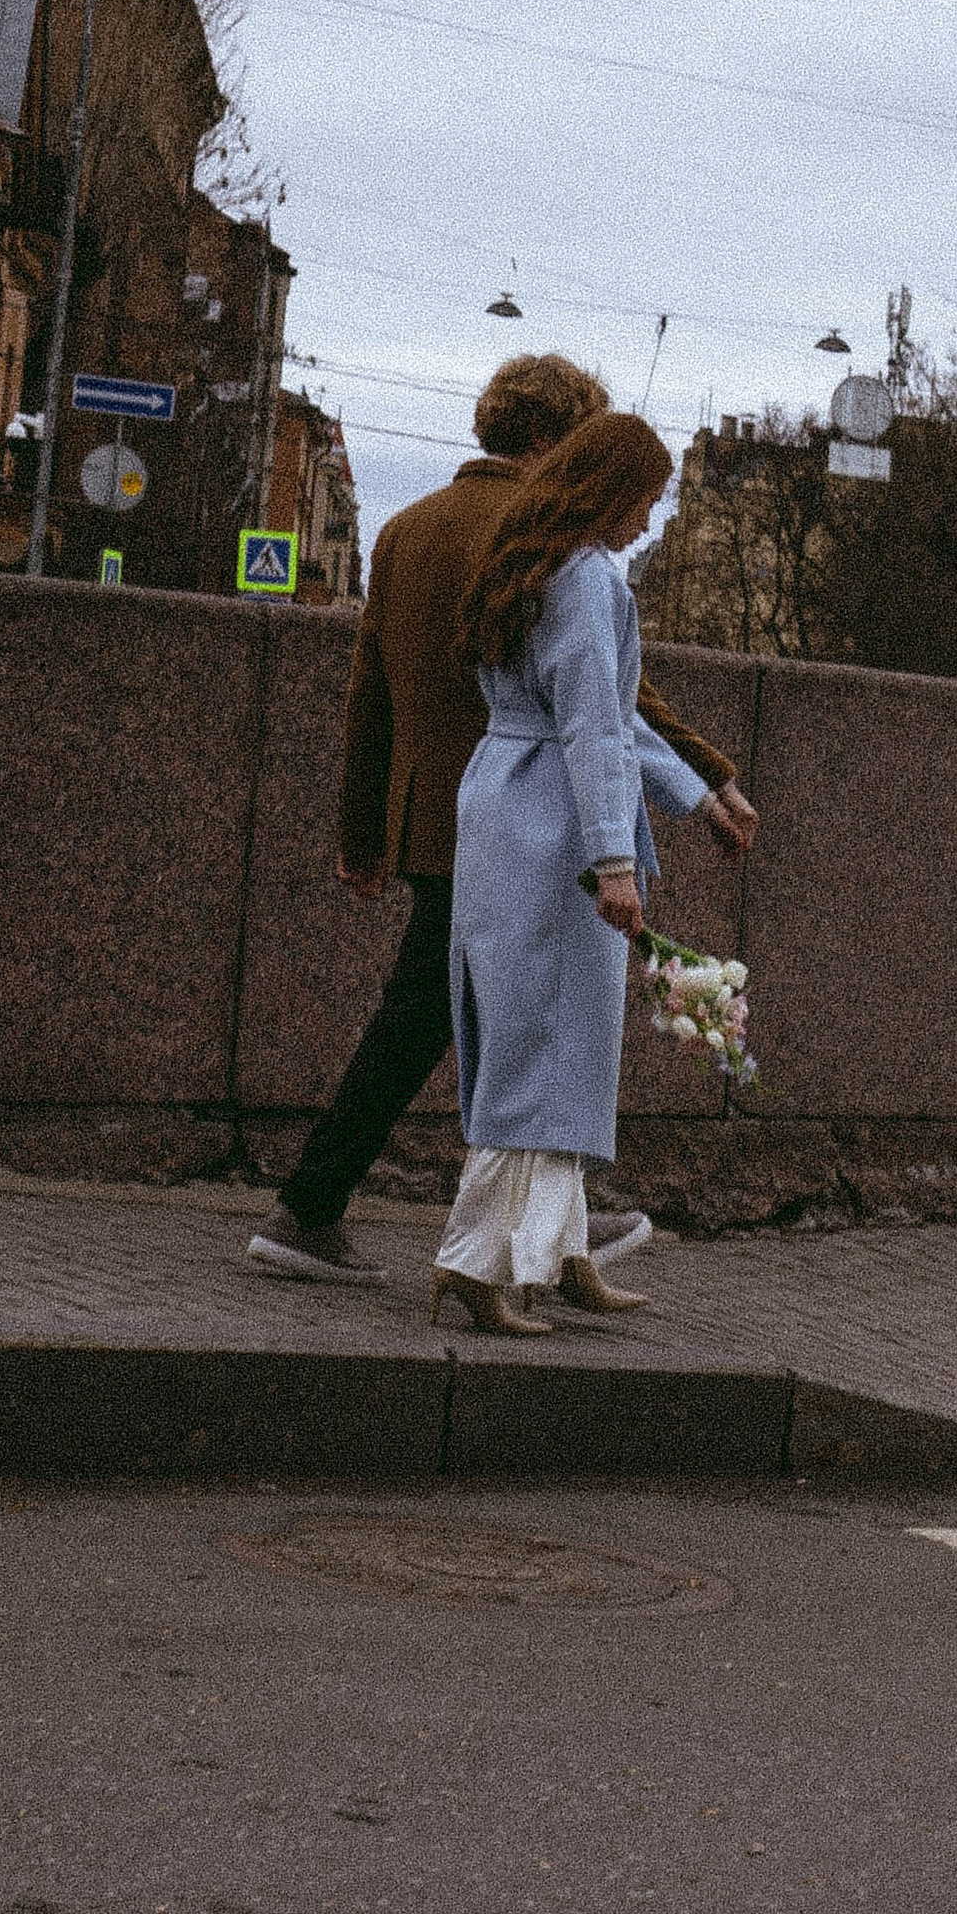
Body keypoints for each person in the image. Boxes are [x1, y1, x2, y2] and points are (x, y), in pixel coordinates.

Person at [250, 353, 753, 1281]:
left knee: (449, 1024)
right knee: (529, 1030)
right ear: (557, 442)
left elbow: (371, 698)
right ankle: (475, 1230)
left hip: (440, 817)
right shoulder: (541, 541)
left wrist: (362, 836)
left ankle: (510, 1221)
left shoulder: (405, 530)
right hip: (537, 825)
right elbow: (602, 700)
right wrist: (705, 775)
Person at [430, 411, 703, 1334]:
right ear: (610, 491)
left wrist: (699, 794)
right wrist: (614, 861)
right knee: (543, 1044)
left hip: (503, 799)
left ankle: (563, 1249)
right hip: (556, 821)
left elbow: (603, 716)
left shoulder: (526, 564)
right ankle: (471, 1262)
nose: (649, 519)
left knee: (545, 1034)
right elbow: (595, 723)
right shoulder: (589, 580)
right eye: (646, 499)